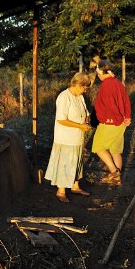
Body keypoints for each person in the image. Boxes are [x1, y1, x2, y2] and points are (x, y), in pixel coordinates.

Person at [44, 72, 93, 203]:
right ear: (77, 85)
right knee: (65, 163)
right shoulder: (64, 97)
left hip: (77, 137)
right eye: (84, 87)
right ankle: (61, 191)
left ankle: (75, 186)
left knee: (77, 162)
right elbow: (61, 120)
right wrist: (79, 126)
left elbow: (86, 112)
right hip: (65, 137)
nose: (85, 90)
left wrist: (87, 120)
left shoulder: (80, 97)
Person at [91, 59, 131, 186]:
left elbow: (110, 105)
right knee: (115, 150)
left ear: (102, 72)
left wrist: (111, 119)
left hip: (111, 122)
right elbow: (126, 101)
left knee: (98, 147)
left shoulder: (107, 85)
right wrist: (127, 116)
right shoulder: (118, 83)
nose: (97, 76)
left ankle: (114, 172)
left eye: (98, 73)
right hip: (120, 123)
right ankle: (116, 179)